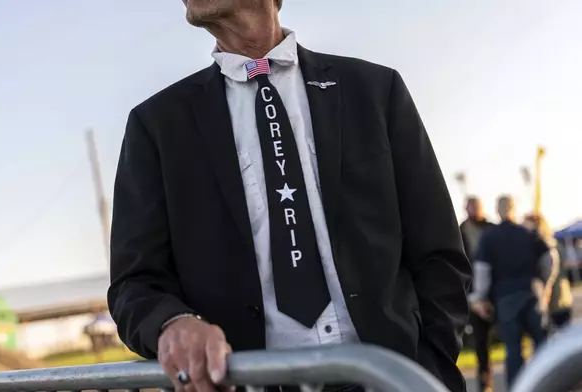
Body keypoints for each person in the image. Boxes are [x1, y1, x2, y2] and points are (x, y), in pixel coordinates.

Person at [108, 1, 471, 392]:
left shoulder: (375, 90)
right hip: (250, 382)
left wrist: (428, 368)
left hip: (389, 376)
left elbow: (439, 252)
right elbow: (134, 283)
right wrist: (173, 323)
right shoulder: (157, 125)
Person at [470, 196, 554, 389]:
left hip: (505, 297)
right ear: (513, 209)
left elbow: (482, 270)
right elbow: (550, 258)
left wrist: (480, 298)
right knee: (542, 342)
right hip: (533, 292)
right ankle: (552, 383)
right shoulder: (529, 233)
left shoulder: (489, 237)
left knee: (513, 348)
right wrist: (544, 284)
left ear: (498, 211)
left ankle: (520, 386)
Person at [460, 197, 495, 392]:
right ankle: (485, 384)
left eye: (476, 206)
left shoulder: (492, 228)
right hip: (473, 297)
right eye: (469, 207)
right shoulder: (459, 231)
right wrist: (471, 298)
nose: (473, 210)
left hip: (496, 293)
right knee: (481, 343)